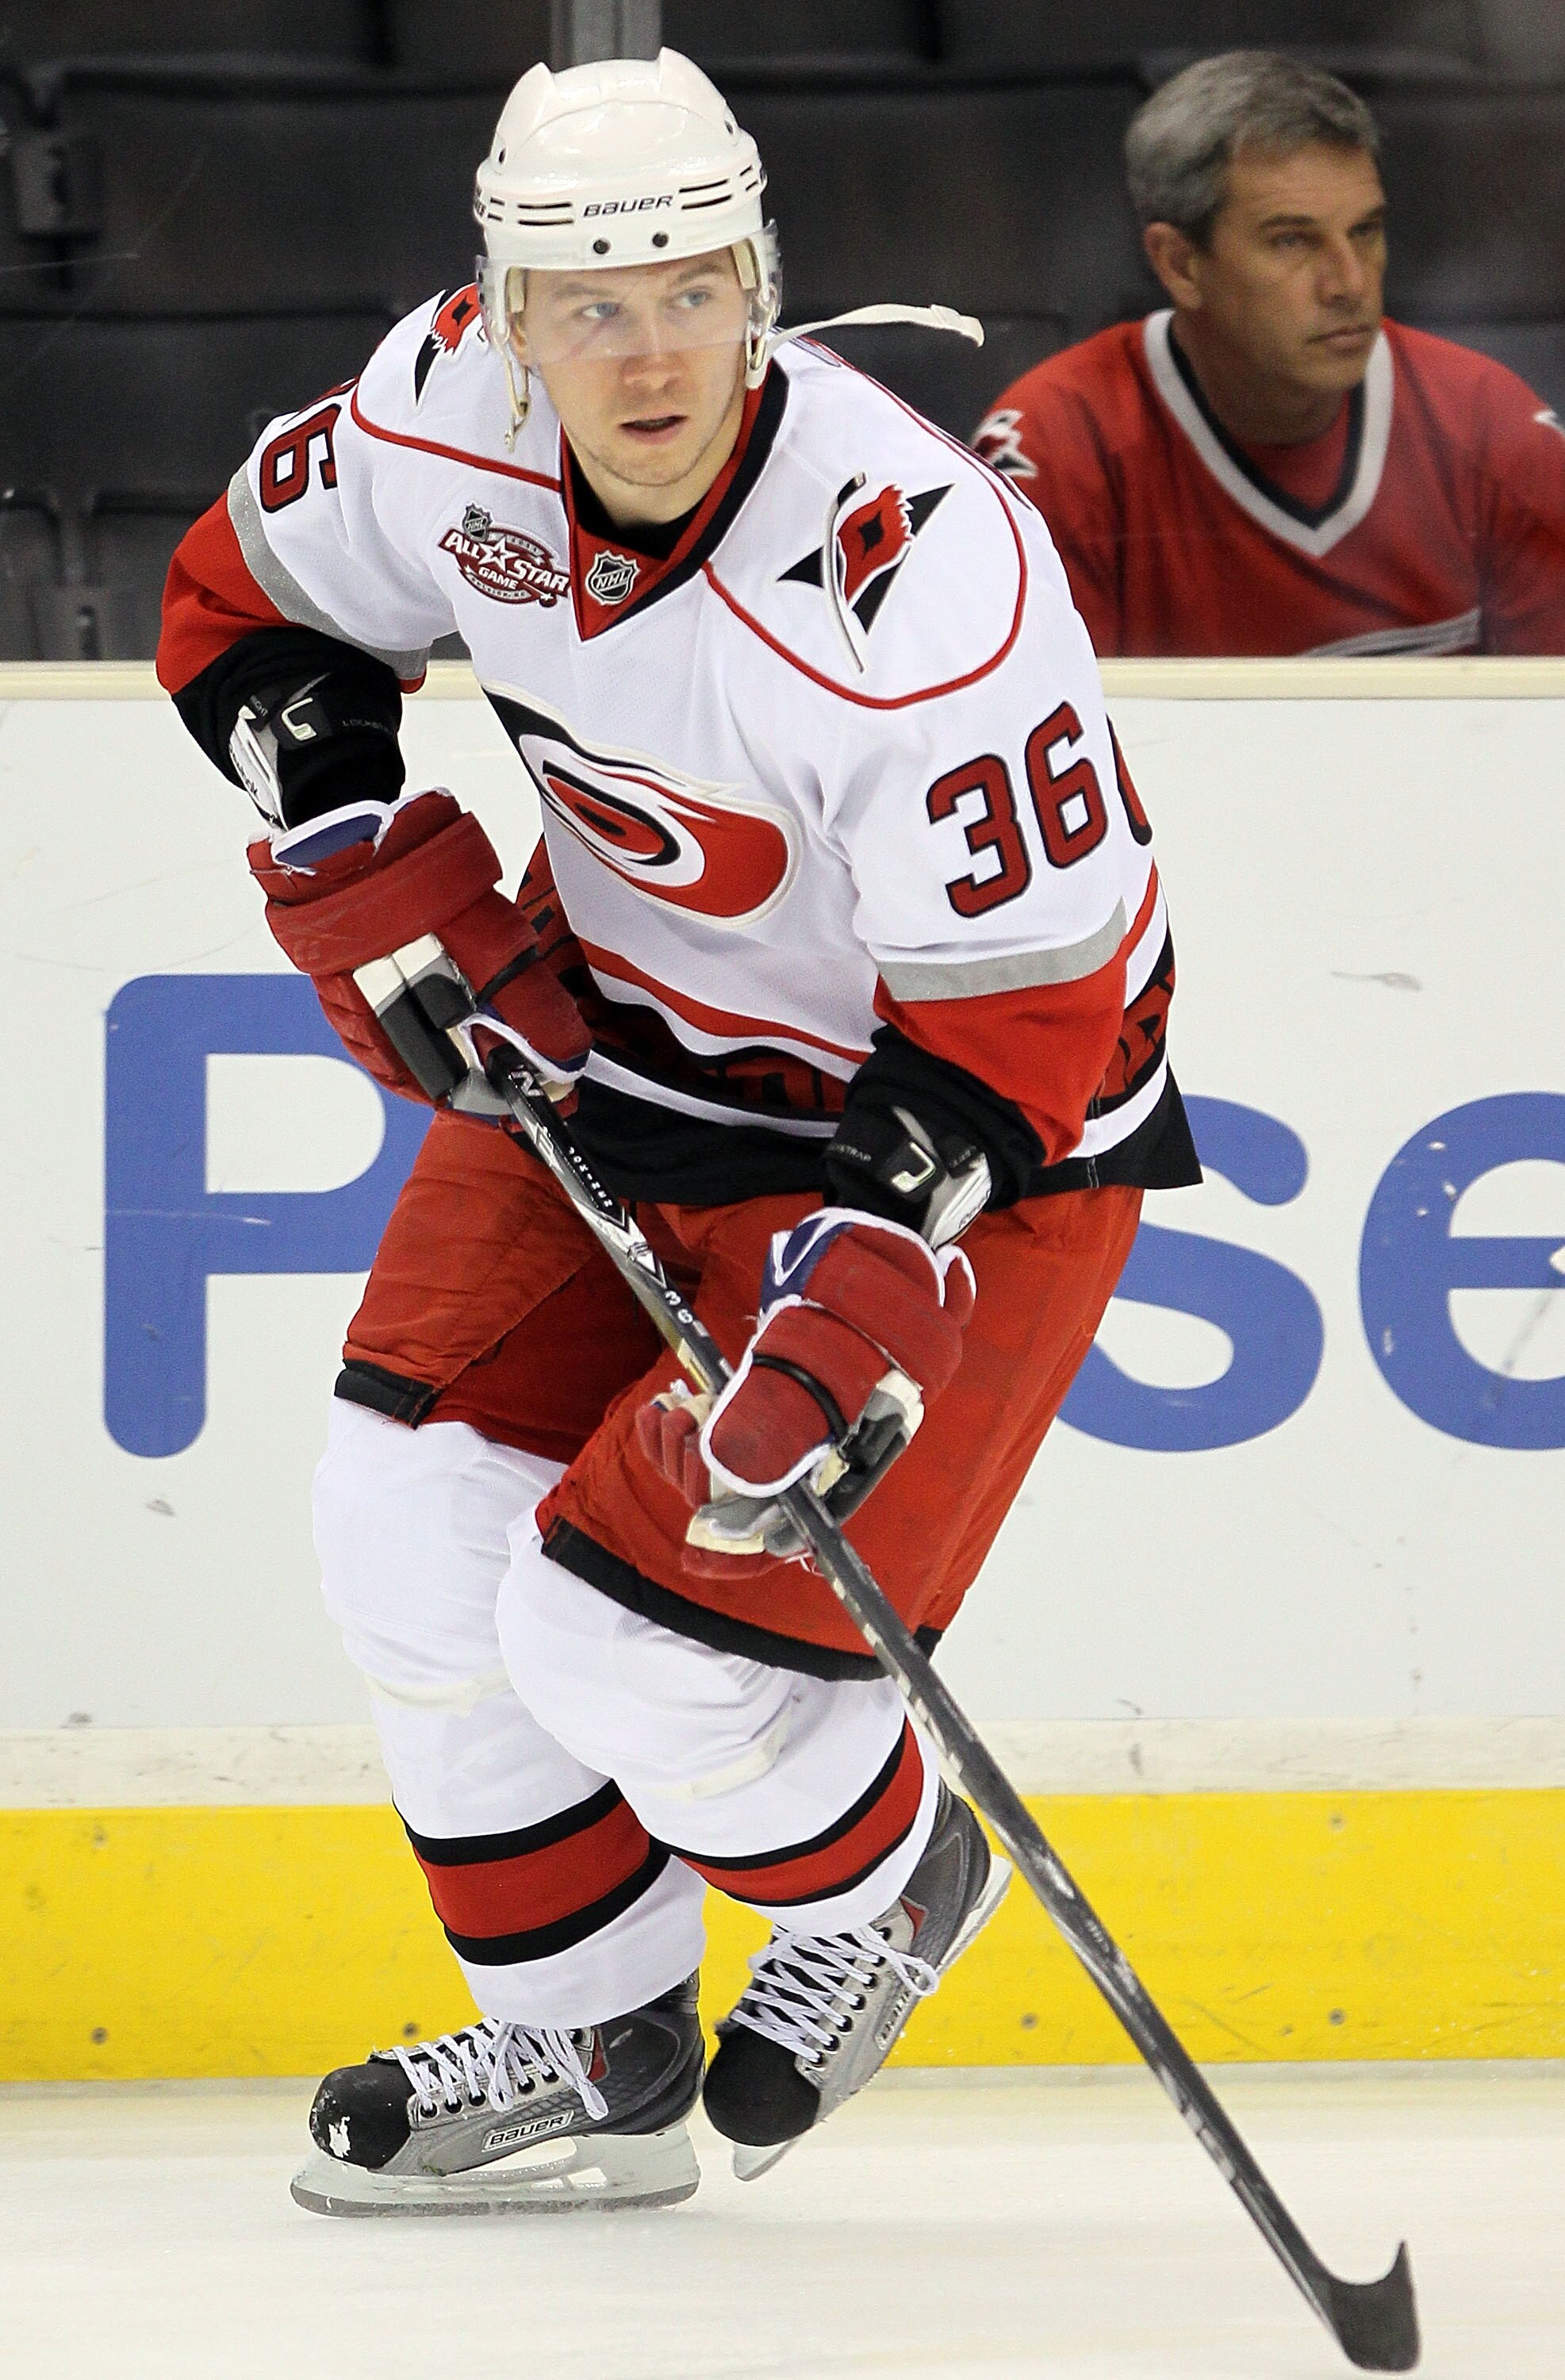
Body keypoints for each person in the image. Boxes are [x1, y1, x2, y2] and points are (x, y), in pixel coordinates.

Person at [157, 48, 1198, 2214]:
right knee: (403, 1525)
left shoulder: (920, 576)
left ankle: (886, 1878)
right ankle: (590, 2042)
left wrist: (876, 1247)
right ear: (506, 310)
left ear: (758, 284)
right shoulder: (440, 414)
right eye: (593, 304)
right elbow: (246, 611)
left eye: (693, 292)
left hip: (972, 1133)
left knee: (621, 1634)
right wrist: (342, 821)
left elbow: (1020, 1016)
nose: (649, 356)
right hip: (630, 1049)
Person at [975, 51, 1565, 658]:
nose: (1349, 284)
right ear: (1179, 265)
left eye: (1364, 231)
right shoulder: (1058, 447)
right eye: (1291, 241)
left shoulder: (1487, 421)